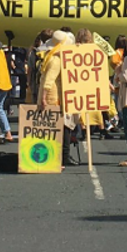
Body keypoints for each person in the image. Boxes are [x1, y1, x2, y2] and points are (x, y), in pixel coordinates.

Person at [38, 30, 79, 165]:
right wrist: (44, 98)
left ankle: (57, 156)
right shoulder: (56, 60)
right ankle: (63, 156)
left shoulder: (50, 57)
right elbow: (49, 81)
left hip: (54, 96)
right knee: (62, 127)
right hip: (54, 98)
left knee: (54, 129)